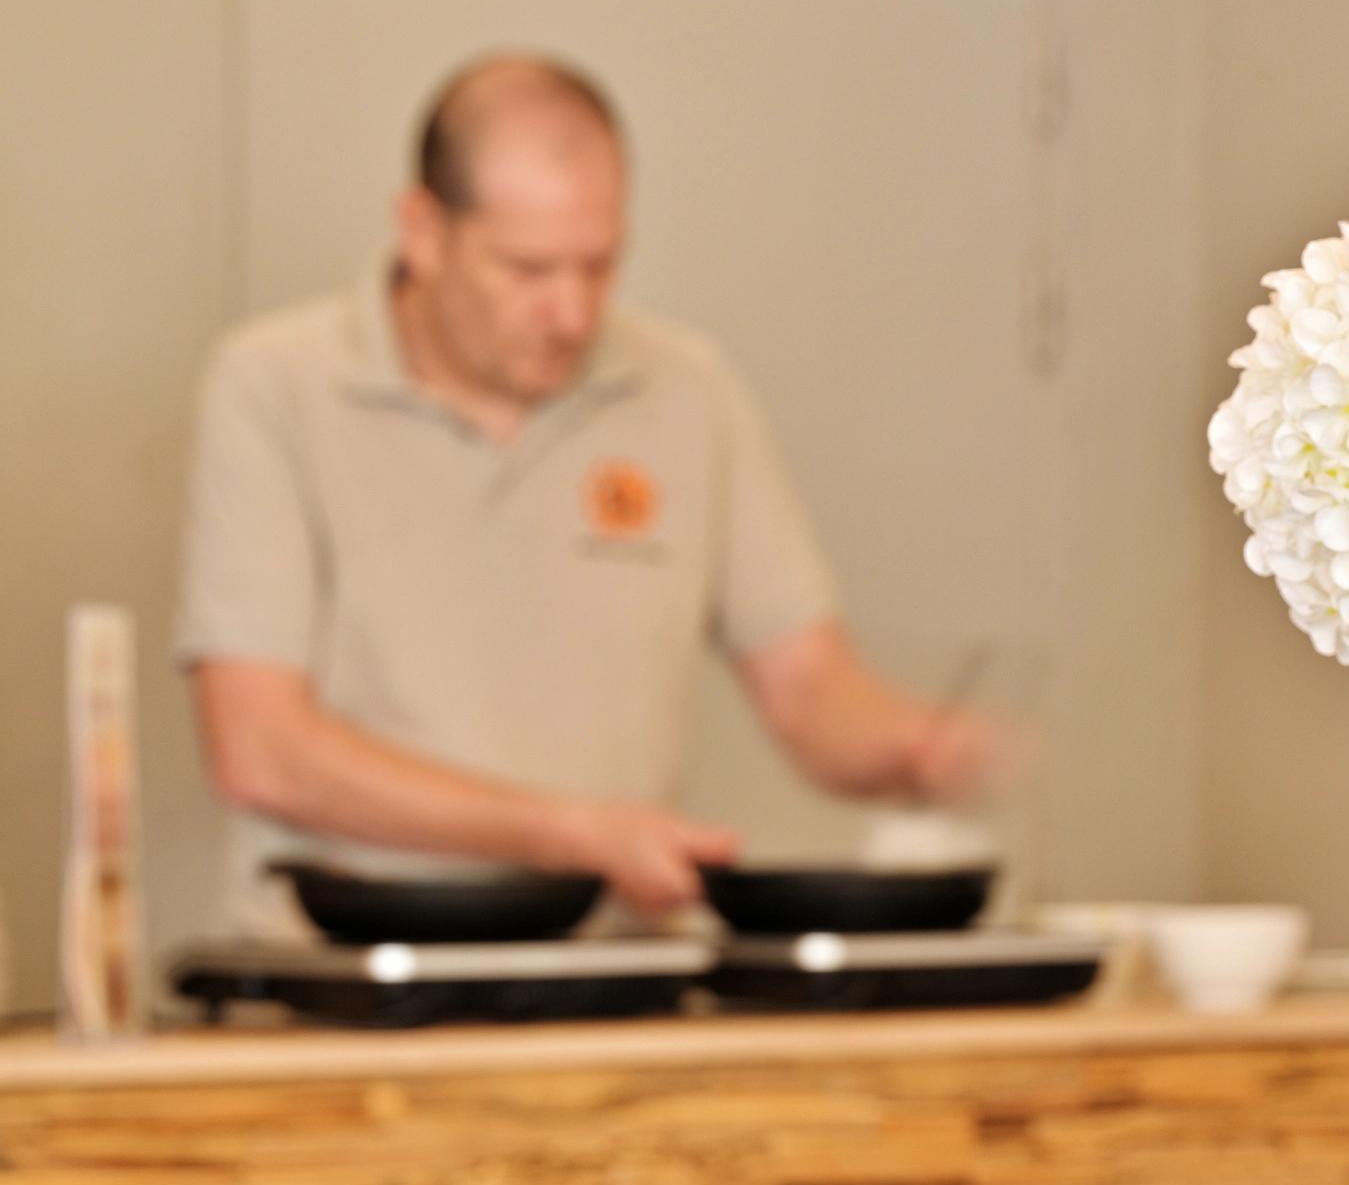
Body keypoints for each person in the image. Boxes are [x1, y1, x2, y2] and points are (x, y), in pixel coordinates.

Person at [177, 53, 1002, 919]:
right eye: (527, 270)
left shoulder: (690, 390)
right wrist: (569, 835)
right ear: (421, 230)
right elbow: (259, 748)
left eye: (599, 266)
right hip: (347, 997)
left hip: (616, 991)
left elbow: (807, 690)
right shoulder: (272, 386)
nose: (571, 313)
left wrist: (914, 745)